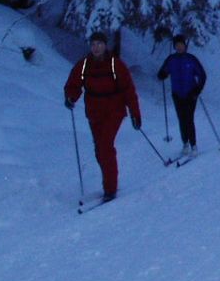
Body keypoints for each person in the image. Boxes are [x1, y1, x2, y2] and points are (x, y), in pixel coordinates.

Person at [65, 32, 142, 203]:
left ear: (105, 45)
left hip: (114, 111)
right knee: (99, 150)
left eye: (99, 44)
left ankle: (110, 188)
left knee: (105, 147)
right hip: (94, 113)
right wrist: (70, 97)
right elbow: (74, 83)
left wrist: (135, 114)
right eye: (93, 44)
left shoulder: (115, 64)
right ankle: (109, 182)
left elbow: (129, 90)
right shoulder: (84, 65)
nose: (96, 47)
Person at [157, 34, 207, 156]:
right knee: (181, 119)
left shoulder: (191, 59)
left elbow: (202, 75)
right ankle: (185, 144)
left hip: (191, 93)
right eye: (177, 45)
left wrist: (197, 90)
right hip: (177, 94)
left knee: (189, 119)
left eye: (181, 45)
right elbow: (163, 71)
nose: (179, 47)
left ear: (185, 45)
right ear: (175, 46)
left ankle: (193, 145)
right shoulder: (171, 59)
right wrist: (162, 74)